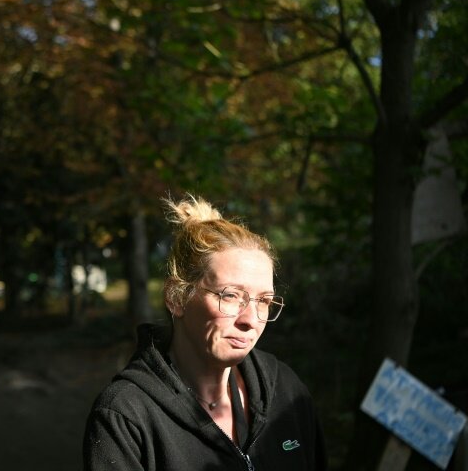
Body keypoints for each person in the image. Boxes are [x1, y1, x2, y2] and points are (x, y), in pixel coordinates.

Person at [83, 194, 327, 470]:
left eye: (264, 301)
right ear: (176, 297)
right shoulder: (125, 415)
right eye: (231, 295)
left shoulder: (286, 390)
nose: (251, 320)